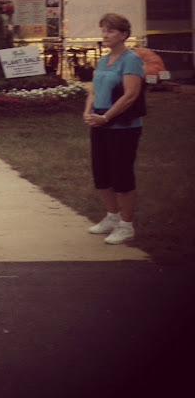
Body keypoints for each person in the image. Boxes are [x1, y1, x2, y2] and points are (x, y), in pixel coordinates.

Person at [83, 12, 145, 245]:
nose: (104, 35)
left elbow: (130, 95)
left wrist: (106, 117)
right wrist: (88, 111)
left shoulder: (131, 59)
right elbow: (93, 90)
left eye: (110, 31)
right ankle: (111, 217)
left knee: (121, 175)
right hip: (99, 123)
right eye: (103, 30)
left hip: (122, 126)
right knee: (102, 173)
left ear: (123, 34)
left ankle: (126, 226)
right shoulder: (102, 59)